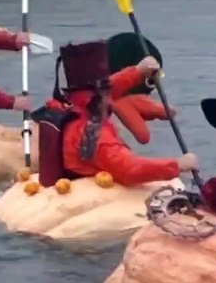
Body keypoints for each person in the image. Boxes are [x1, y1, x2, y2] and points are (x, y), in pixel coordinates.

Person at [34, 40, 195, 187]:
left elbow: (104, 89)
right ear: (100, 94)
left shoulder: (69, 105)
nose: (110, 94)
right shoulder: (95, 134)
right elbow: (129, 170)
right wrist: (177, 165)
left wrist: (138, 71)